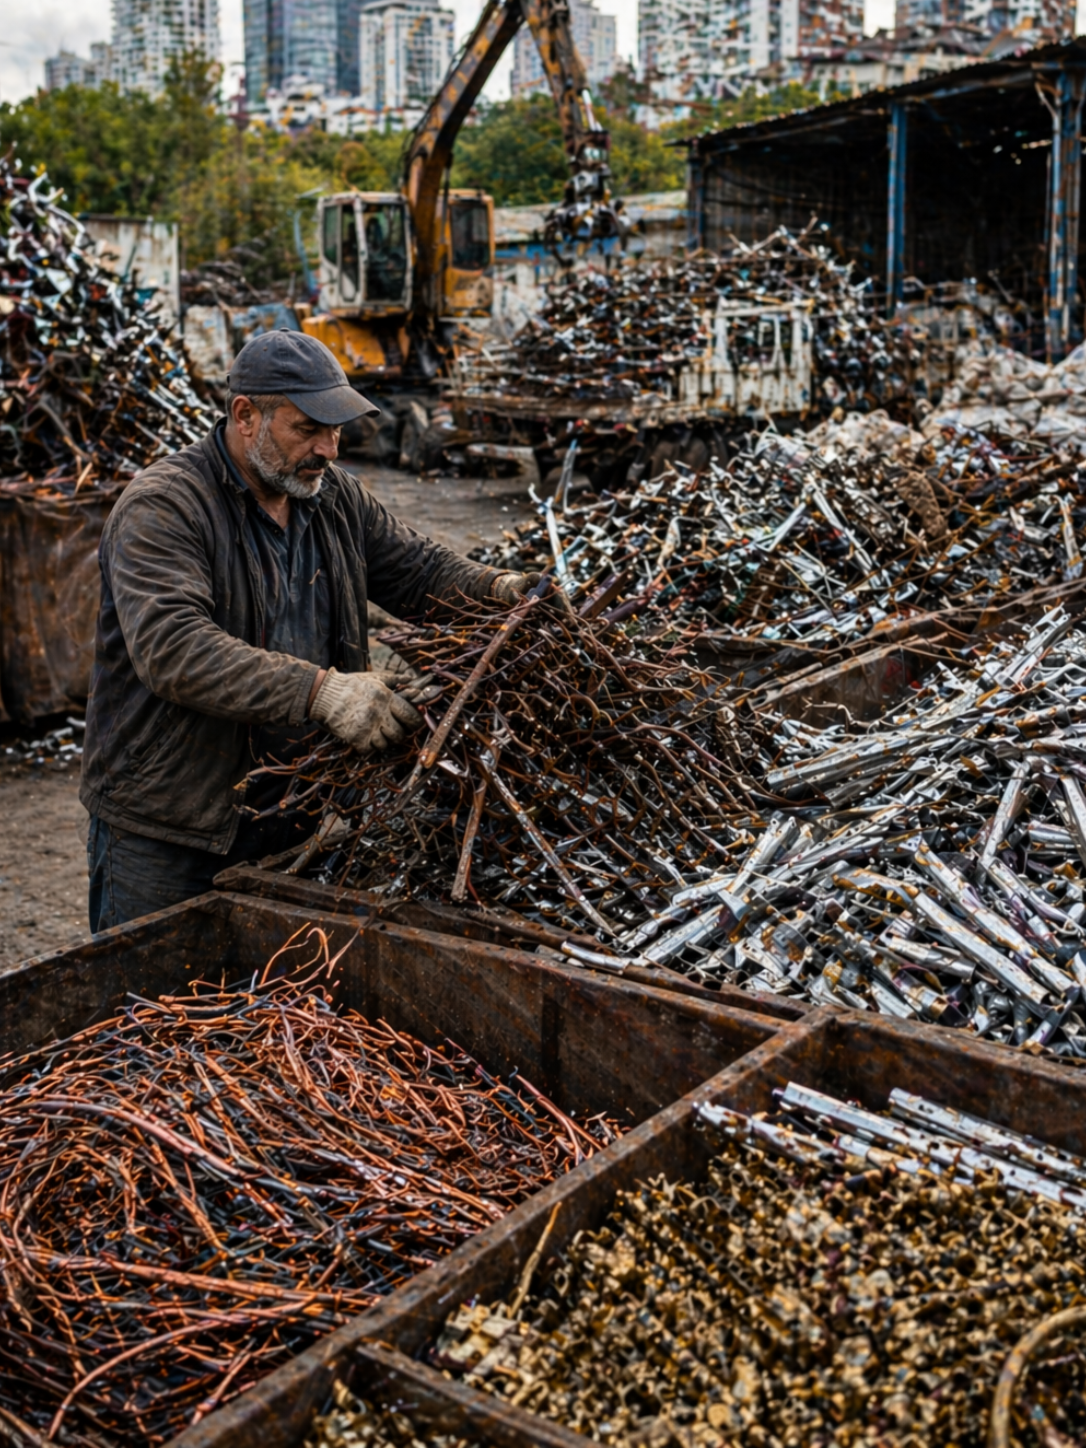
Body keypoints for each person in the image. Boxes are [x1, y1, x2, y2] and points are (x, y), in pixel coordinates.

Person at [79, 329, 537, 931]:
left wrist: (501, 591)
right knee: (159, 987)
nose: (329, 448)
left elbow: (417, 571)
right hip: (171, 828)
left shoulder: (331, 496)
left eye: (336, 429)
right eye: (308, 429)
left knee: (280, 987)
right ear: (246, 416)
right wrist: (322, 692)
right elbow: (174, 649)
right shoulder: (165, 506)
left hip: (294, 817)